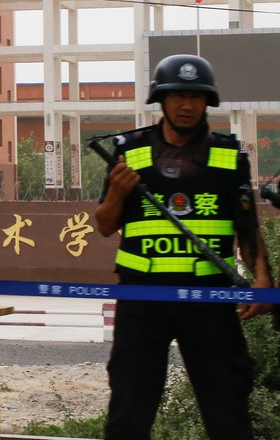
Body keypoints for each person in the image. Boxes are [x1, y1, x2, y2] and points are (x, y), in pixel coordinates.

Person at [94, 54, 273, 440]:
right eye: (177, 96)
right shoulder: (130, 151)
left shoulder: (229, 157)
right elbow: (105, 226)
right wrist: (117, 194)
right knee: (129, 411)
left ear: (209, 102)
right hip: (142, 300)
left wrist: (262, 279)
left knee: (228, 410)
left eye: (196, 96)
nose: (187, 105)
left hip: (210, 299)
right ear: (161, 100)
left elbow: (247, 226)